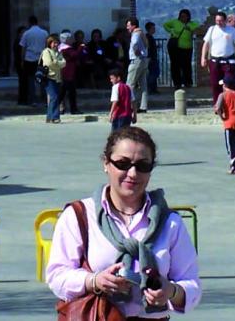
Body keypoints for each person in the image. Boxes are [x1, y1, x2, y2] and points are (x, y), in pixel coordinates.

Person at [46, 126, 202, 318]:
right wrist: (94, 281)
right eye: (123, 164)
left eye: (142, 166)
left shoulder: (170, 223)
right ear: (106, 163)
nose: (133, 173)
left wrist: (171, 291)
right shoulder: (80, 215)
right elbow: (57, 276)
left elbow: (192, 285)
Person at [199, 11, 235, 103]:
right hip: (215, 61)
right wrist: (203, 57)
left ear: (225, 20)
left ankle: (231, 103)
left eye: (220, 20)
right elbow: (206, 44)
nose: (218, 22)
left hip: (229, 61)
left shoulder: (232, 30)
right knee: (215, 84)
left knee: (229, 82)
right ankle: (217, 104)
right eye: (217, 20)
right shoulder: (212, 29)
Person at [162, 9, 202, 89]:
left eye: (184, 16)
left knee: (187, 65)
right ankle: (177, 83)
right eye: (181, 16)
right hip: (175, 47)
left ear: (188, 17)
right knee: (175, 65)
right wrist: (171, 31)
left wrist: (189, 28)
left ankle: (187, 82)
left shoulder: (192, 23)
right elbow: (165, 25)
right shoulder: (175, 22)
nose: (183, 18)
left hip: (187, 48)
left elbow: (198, 27)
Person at [214, 77, 235, 174]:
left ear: (225, 85)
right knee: (234, 143)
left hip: (229, 122)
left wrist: (222, 117)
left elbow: (218, 108)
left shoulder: (222, 95)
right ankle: (234, 166)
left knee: (230, 146)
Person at [19, 15, 48, 105]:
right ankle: (44, 100)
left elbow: (23, 48)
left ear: (29, 23)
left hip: (29, 59)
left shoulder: (26, 33)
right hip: (42, 59)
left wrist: (22, 60)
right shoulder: (44, 33)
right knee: (42, 80)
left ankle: (33, 100)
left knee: (31, 80)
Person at [125, 17, 149, 115]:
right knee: (143, 85)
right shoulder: (142, 33)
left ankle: (129, 106)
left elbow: (134, 44)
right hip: (144, 60)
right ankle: (143, 106)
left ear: (133, 26)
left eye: (128, 25)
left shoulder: (135, 34)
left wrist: (135, 51)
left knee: (130, 84)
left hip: (136, 60)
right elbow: (146, 45)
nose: (127, 27)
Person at [40, 34, 65, 124]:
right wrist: (58, 63)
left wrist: (56, 62)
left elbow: (64, 63)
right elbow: (48, 63)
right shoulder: (46, 52)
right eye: (54, 43)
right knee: (54, 97)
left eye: (57, 43)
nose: (56, 45)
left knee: (55, 98)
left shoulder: (58, 52)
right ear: (49, 43)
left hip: (57, 78)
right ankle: (54, 117)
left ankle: (49, 117)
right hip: (48, 77)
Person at [60, 30, 84, 115]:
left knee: (63, 92)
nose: (72, 40)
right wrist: (81, 47)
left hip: (65, 72)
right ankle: (73, 109)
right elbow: (75, 55)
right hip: (68, 72)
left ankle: (58, 108)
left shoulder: (62, 47)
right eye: (70, 38)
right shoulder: (66, 48)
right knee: (70, 92)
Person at [108, 65, 134, 130]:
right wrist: (134, 115)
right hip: (128, 115)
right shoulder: (128, 87)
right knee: (125, 133)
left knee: (116, 134)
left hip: (119, 115)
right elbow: (133, 102)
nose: (111, 80)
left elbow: (115, 101)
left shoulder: (115, 87)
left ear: (118, 78)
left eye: (112, 78)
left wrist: (111, 113)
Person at [144, 21, 160, 99]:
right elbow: (148, 48)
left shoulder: (149, 37)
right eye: (153, 28)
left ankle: (153, 89)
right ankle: (150, 88)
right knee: (154, 73)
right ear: (149, 29)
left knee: (154, 73)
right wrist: (149, 57)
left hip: (152, 58)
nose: (154, 30)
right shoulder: (148, 37)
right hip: (151, 58)